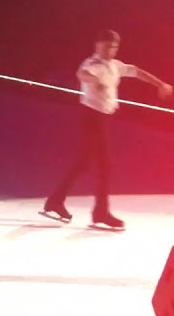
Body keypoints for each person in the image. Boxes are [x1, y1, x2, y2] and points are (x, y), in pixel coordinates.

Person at [41, 29, 171, 231]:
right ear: (97, 45)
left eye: (115, 46)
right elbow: (82, 74)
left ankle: (56, 201)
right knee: (105, 165)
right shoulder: (91, 64)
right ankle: (100, 212)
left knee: (84, 163)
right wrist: (96, 81)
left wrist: (160, 84)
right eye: (108, 45)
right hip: (91, 117)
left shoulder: (115, 66)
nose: (112, 49)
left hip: (101, 119)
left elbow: (136, 71)